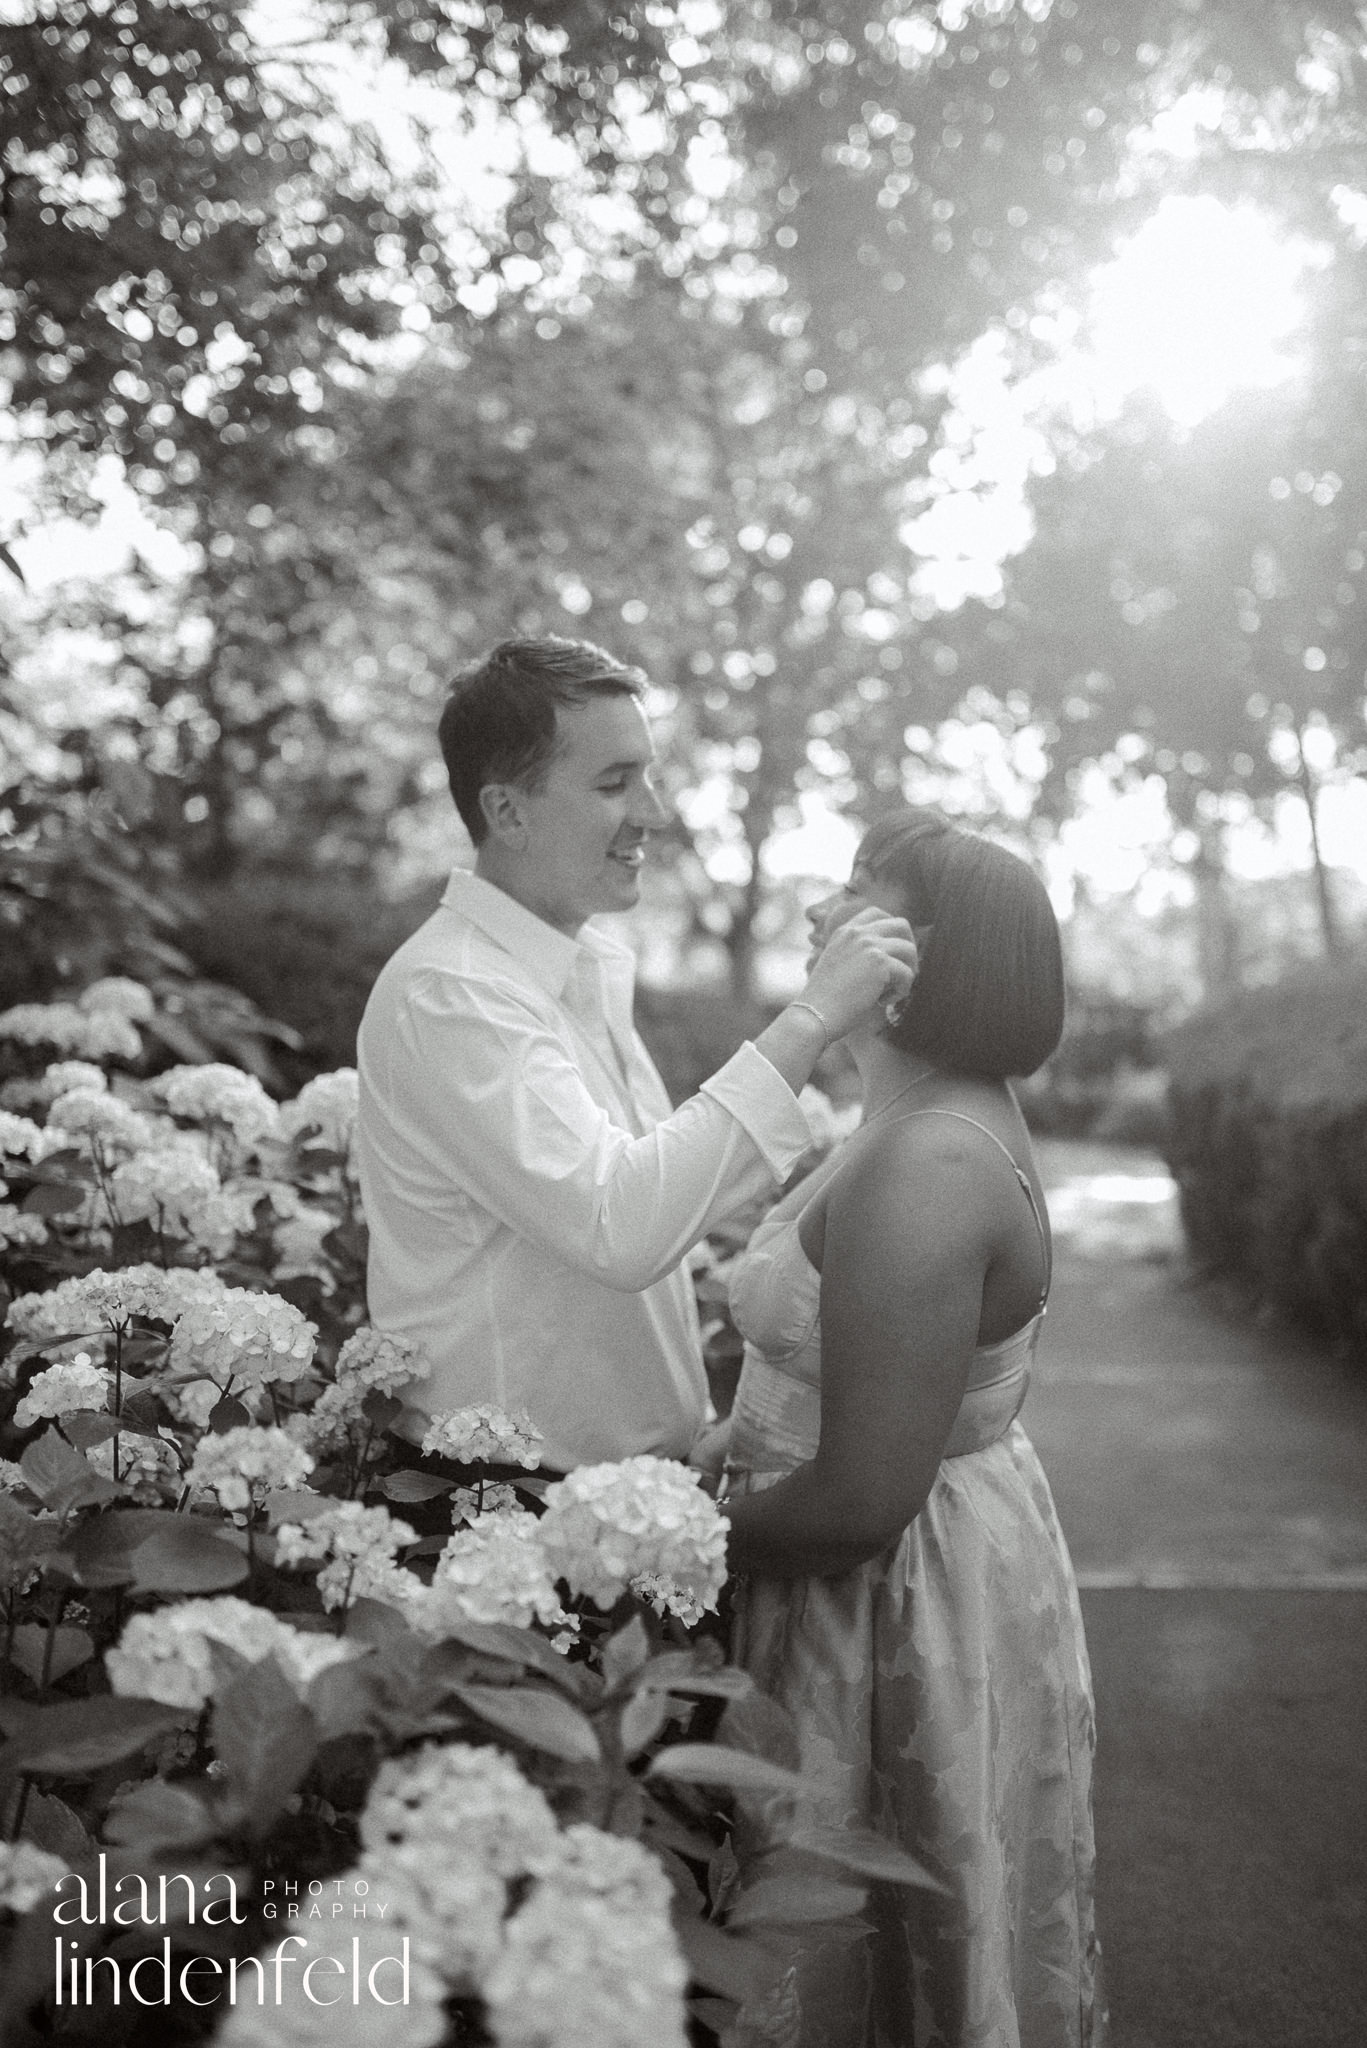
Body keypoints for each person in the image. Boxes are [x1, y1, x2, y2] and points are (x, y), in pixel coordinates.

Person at [718, 806, 1103, 2048]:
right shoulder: (908, 1118)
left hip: (876, 1598)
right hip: (893, 1567)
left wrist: (663, 1545)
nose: (817, 915)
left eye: (854, 894)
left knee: (856, 1956)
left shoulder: (928, 1161)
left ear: (920, 954)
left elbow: (858, 1496)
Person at [354, 636, 919, 1474]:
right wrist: (812, 1019)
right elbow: (622, 1226)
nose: (652, 812)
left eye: (647, 776)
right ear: (506, 812)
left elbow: (649, 1216)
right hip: (501, 1507)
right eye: (614, 784)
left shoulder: (579, 970)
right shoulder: (456, 993)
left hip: (623, 1500)